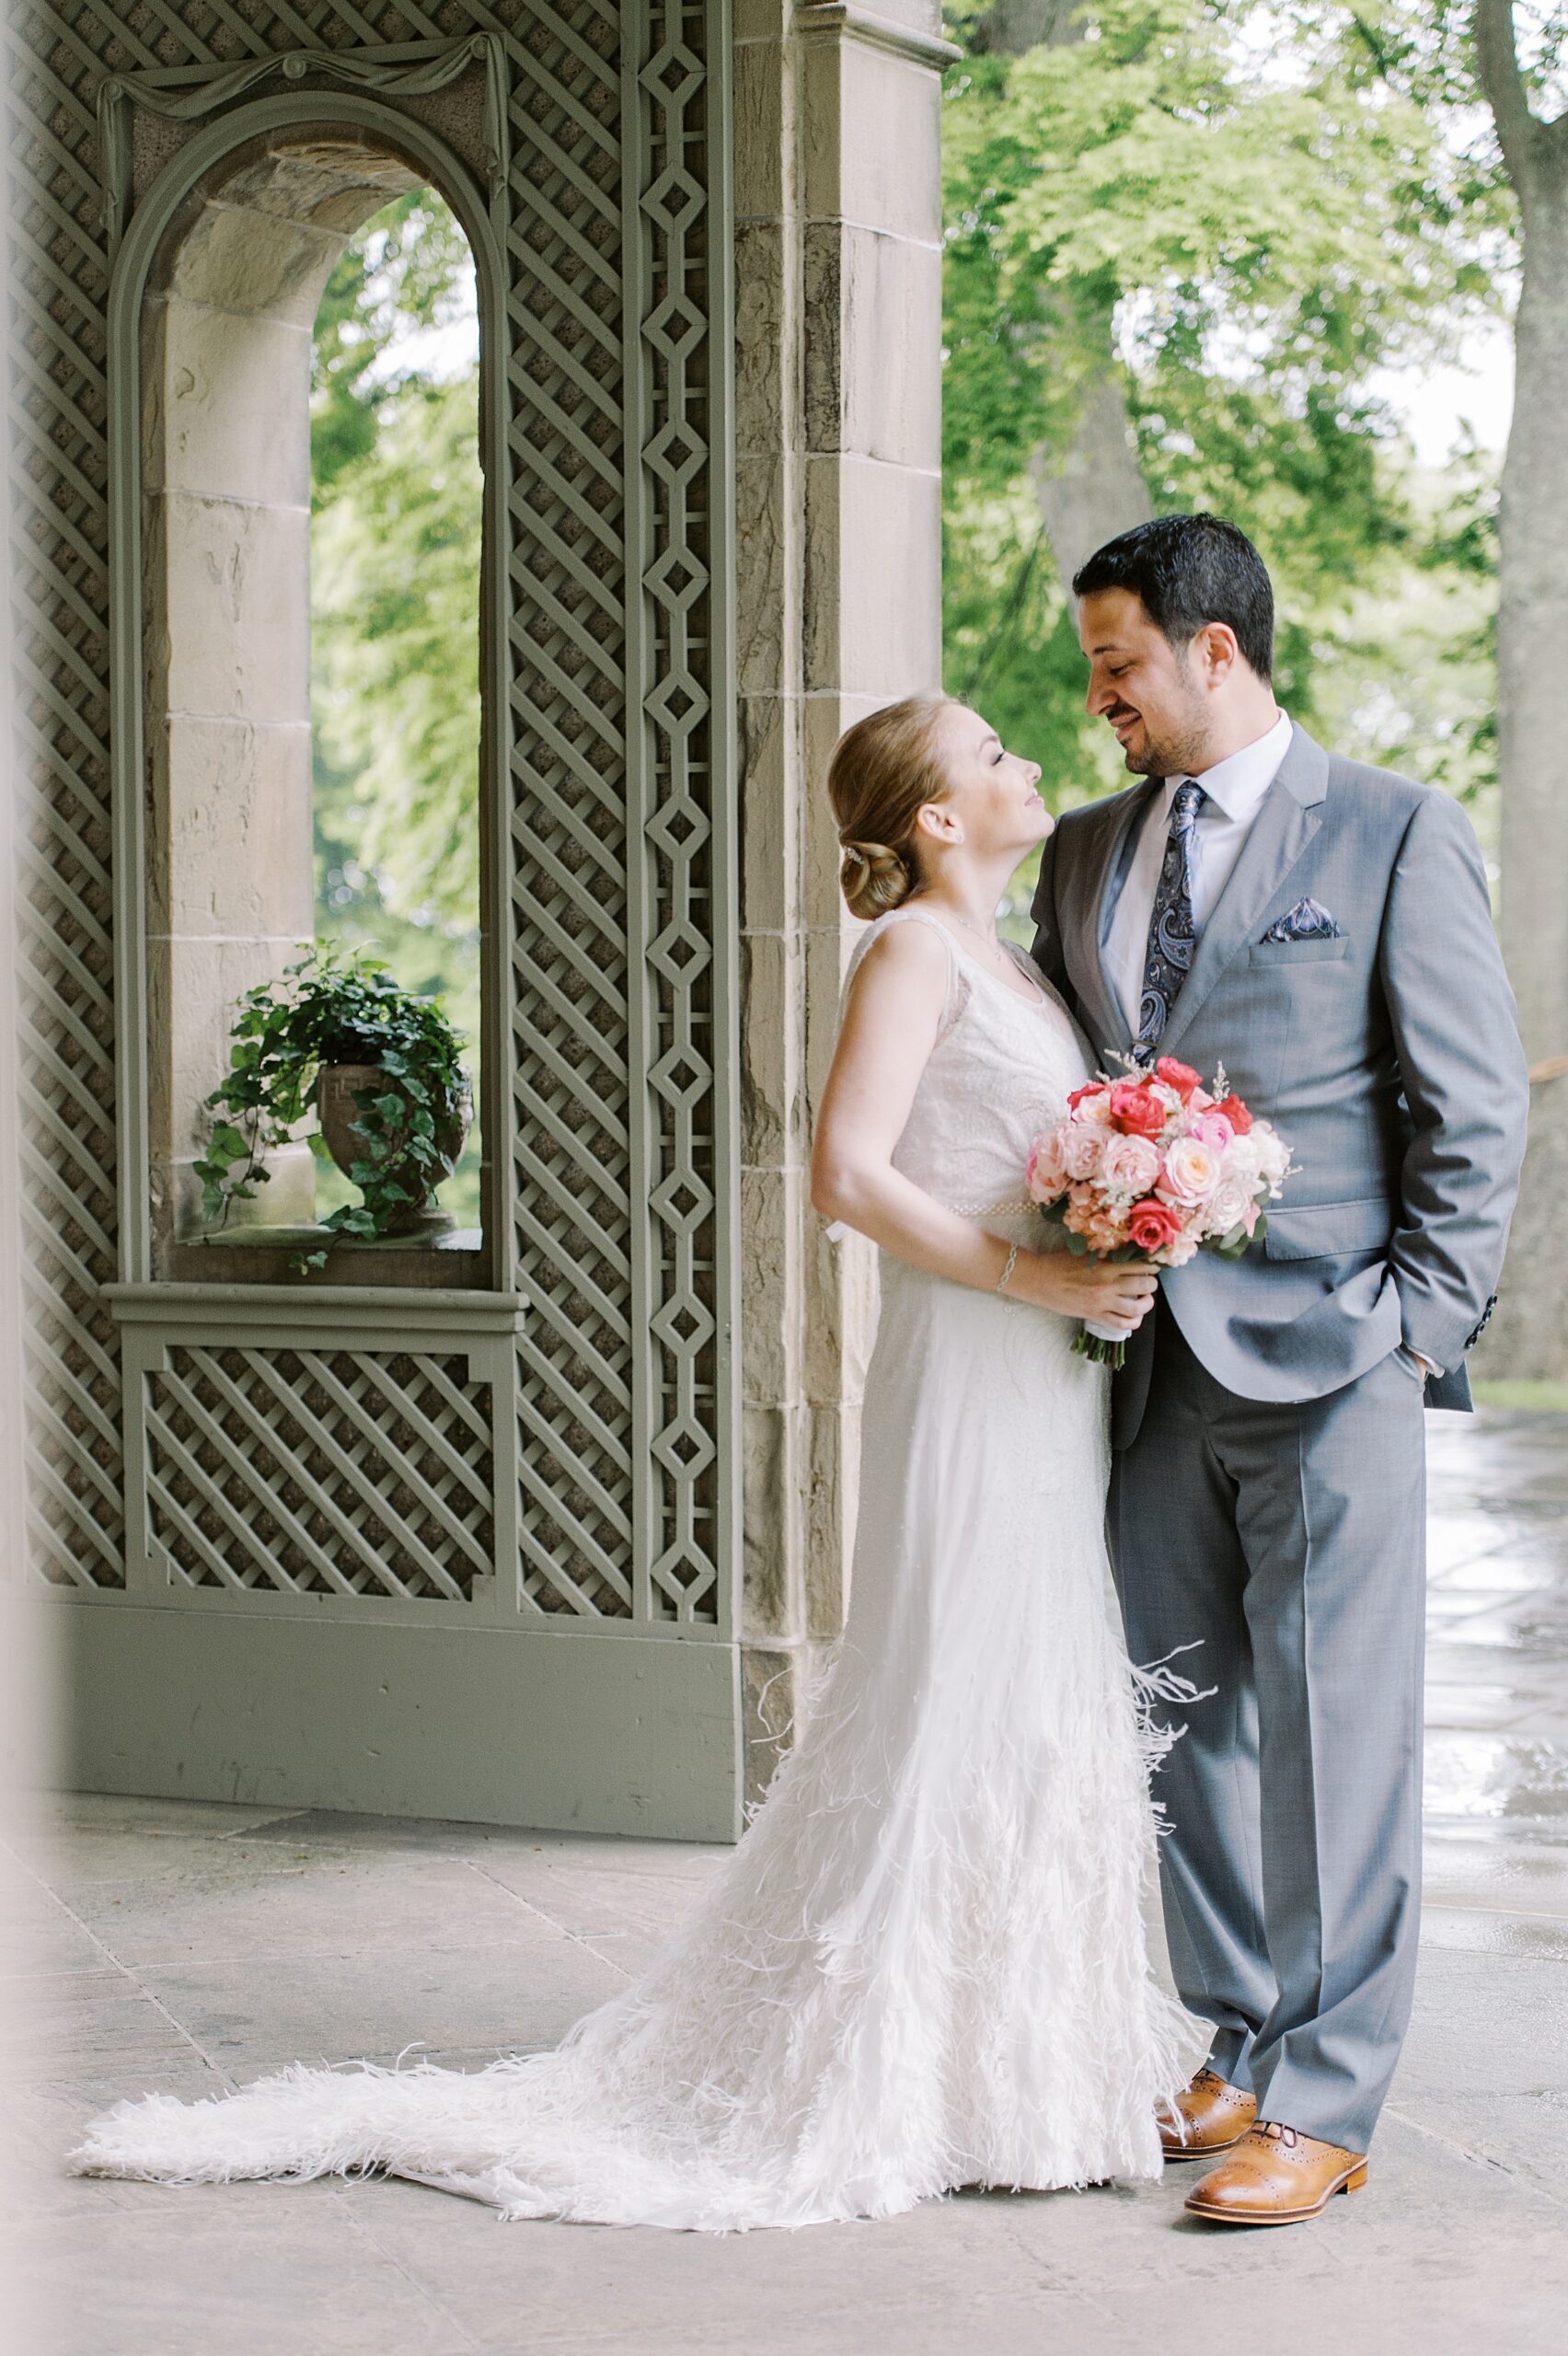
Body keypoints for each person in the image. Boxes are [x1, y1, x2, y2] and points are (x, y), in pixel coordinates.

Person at [71, 697, 1206, 2231]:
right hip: (974, 1362)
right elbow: (845, 1174)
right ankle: (882, 2073)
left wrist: (1123, 1209)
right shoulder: (914, 955)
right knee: (952, 1682)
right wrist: (1037, 1281)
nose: (1025, 765)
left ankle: (1013, 2076)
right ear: (936, 816)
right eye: (993, 753)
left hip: (1044, 1378)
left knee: (1030, 1680)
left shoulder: (1015, 962)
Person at [1032, 513, 1529, 2226]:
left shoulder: (1394, 830)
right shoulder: (1086, 849)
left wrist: (1414, 1328)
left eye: (1116, 663)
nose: (1097, 694)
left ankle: (1327, 2098)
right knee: (1182, 1738)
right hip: (1137, 1362)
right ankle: (1235, 2044)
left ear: (1212, 651)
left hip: (1334, 1362)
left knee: (1339, 1744)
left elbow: (1473, 1108)